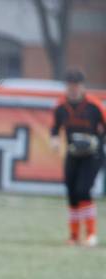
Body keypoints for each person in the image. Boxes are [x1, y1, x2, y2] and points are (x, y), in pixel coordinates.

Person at [50, 68, 106, 247]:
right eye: (70, 86)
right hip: (73, 154)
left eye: (76, 85)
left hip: (93, 155)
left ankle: (91, 234)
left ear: (83, 86)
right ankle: (74, 236)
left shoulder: (94, 106)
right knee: (72, 193)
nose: (73, 89)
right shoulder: (61, 107)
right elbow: (54, 128)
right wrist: (55, 140)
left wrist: (98, 141)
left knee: (83, 190)